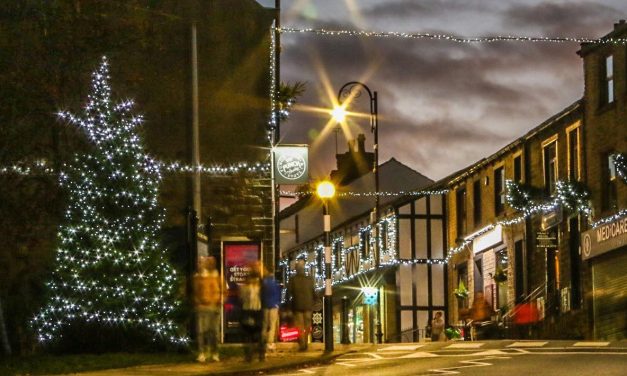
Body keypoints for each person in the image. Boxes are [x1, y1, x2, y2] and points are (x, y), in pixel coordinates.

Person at [193, 256, 221, 362]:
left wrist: (216, 301)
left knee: (212, 332)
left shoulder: (213, 277)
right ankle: (202, 352)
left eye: (202, 262)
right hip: (202, 308)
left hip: (212, 307)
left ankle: (213, 352)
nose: (200, 264)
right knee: (201, 331)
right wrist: (197, 302)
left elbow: (218, 291)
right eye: (199, 262)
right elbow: (194, 292)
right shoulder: (197, 278)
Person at [287, 260, 314, 351]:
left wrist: (288, 306)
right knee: (307, 325)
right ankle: (305, 342)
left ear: (296, 270)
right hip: (308, 305)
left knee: (300, 326)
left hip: (297, 305)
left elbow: (288, 294)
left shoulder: (293, 280)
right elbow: (313, 292)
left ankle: (302, 343)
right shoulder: (310, 279)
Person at [239, 264, 264, 362]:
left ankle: (249, 356)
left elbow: (241, 299)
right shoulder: (260, 287)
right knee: (257, 333)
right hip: (257, 311)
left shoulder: (244, 288)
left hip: (247, 311)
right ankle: (260, 355)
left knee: (247, 335)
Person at [261, 266, 282, 352]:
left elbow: (261, 295)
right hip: (274, 306)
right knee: (273, 324)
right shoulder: (276, 283)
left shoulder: (263, 283)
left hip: (266, 306)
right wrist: (278, 304)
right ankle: (270, 342)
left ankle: (263, 341)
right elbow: (279, 295)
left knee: (265, 324)